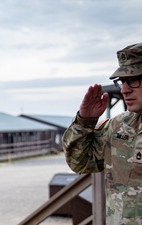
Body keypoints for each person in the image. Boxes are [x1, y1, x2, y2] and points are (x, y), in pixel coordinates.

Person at [62, 42, 142, 224]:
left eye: (133, 80)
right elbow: (80, 163)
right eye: (122, 82)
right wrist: (84, 122)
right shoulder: (120, 126)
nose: (124, 90)